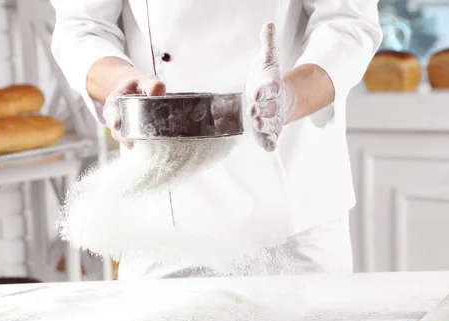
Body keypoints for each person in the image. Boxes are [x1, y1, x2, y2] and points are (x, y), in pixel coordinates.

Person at [50, 0, 383, 279]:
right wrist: (122, 82)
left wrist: (292, 96)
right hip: (161, 221)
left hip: (295, 213)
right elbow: (82, 27)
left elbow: (347, 21)